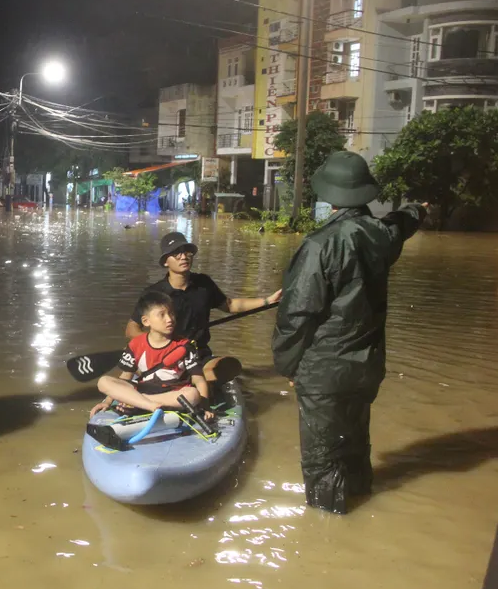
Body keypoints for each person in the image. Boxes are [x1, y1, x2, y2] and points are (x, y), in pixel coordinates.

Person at [271, 150, 426, 514]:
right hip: (367, 367)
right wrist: (420, 209)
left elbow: (296, 316)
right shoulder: (382, 236)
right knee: (355, 448)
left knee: (323, 461)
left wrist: (288, 366)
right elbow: (403, 222)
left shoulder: (319, 245)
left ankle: (328, 541)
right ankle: (363, 513)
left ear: (329, 195)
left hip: (325, 372)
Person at [126, 231, 283, 358]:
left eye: (186, 251)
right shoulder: (154, 293)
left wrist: (267, 301)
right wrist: (153, 345)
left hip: (197, 353)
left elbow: (230, 305)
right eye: (176, 253)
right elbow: (131, 328)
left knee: (229, 366)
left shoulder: (204, 284)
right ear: (166, 262)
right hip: (164, 354)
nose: (183, 257)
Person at [91, 291, 214, 419]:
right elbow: (125, 377)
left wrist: (205, 407)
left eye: (171, 313)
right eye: (162, 315)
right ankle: (148, 405)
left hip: (173, 394)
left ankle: (139, 403)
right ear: (146, 321)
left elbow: (199, 380)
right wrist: (107, 402)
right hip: (144, 389)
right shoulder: (135, 344)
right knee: (104, 382)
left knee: (192, 394)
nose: (169, 319)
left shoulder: (185, 346)